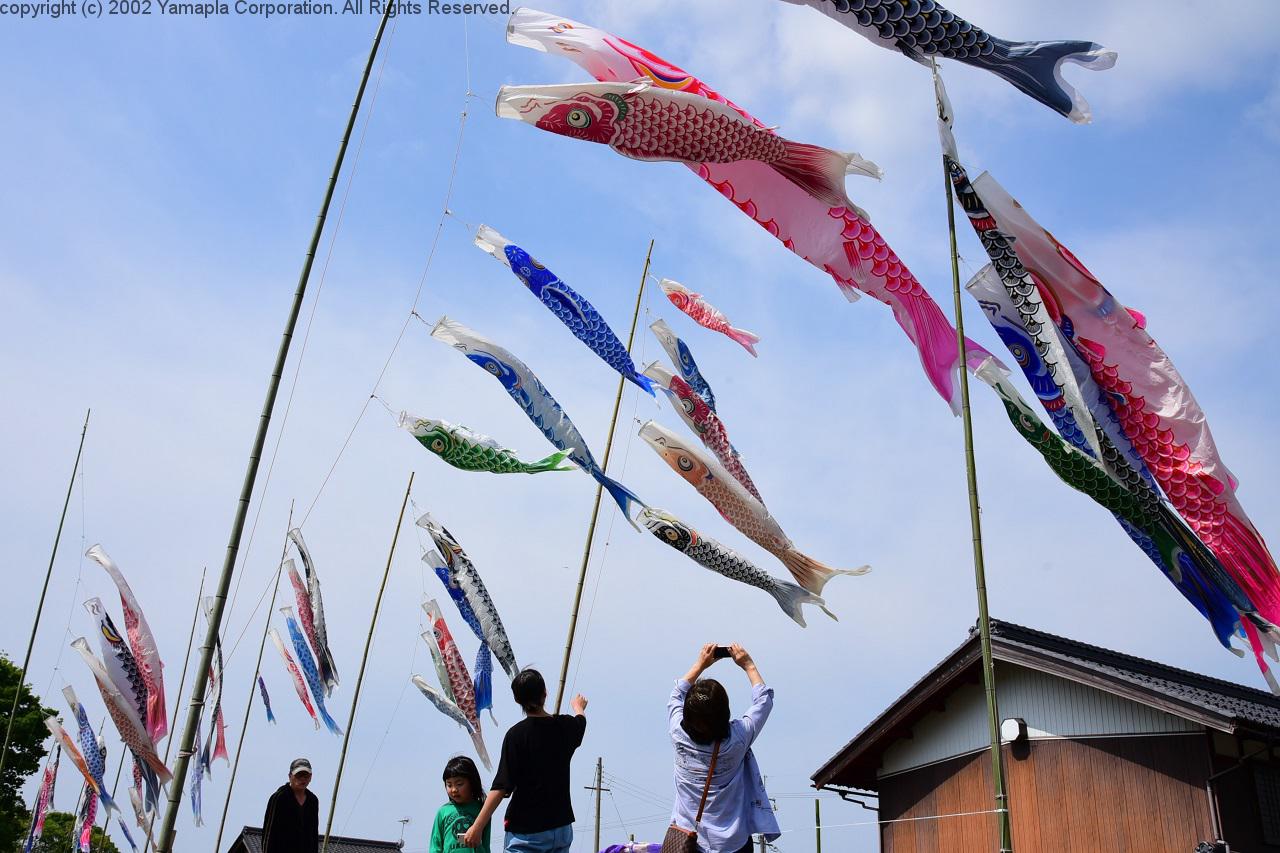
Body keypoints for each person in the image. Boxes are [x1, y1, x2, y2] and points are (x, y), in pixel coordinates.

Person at [668, 643, 780, 853]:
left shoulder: (678, 734)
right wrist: (748, 665)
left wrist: (700, 664)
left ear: (686, 715)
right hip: (733, 845)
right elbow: (763, 702)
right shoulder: (738, 739)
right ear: (724, 714)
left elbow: (677, 693)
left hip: (687, 843)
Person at [462, 668, 587, 852]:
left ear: (517, 700)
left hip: (527, 830)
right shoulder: (566, 726)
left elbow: (501, 786)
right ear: (545, 693)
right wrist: (578, 706)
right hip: (561, 828)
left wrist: (478, 825)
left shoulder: (516, 736)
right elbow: (581, 721)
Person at [431, 755, 491, 853]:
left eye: (459, 784)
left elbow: (486, 843)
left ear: (472, 782)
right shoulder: (443, 812)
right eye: (449, 785)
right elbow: (435, 846)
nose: (454, 790)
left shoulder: (482, 810)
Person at [262, 757, 319, 853]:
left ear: (311, 777)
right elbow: (268, 834)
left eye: (306, 776)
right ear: (290, 776)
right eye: (298, 775)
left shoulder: (313, 800)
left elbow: (314, 834)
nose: (302, 779)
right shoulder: (279, 797)